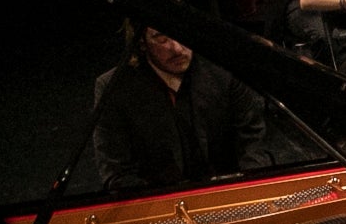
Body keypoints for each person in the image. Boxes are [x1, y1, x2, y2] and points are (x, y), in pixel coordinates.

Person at [92, 10, 270, 193]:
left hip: (228, 193)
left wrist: (252, 192)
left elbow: (252, 144)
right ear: (141, 43)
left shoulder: (224, 69)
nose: (177, 48)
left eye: (181, 32)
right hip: (158, 202)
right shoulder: (115, 87)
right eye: (161, 38)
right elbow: (116, 173)